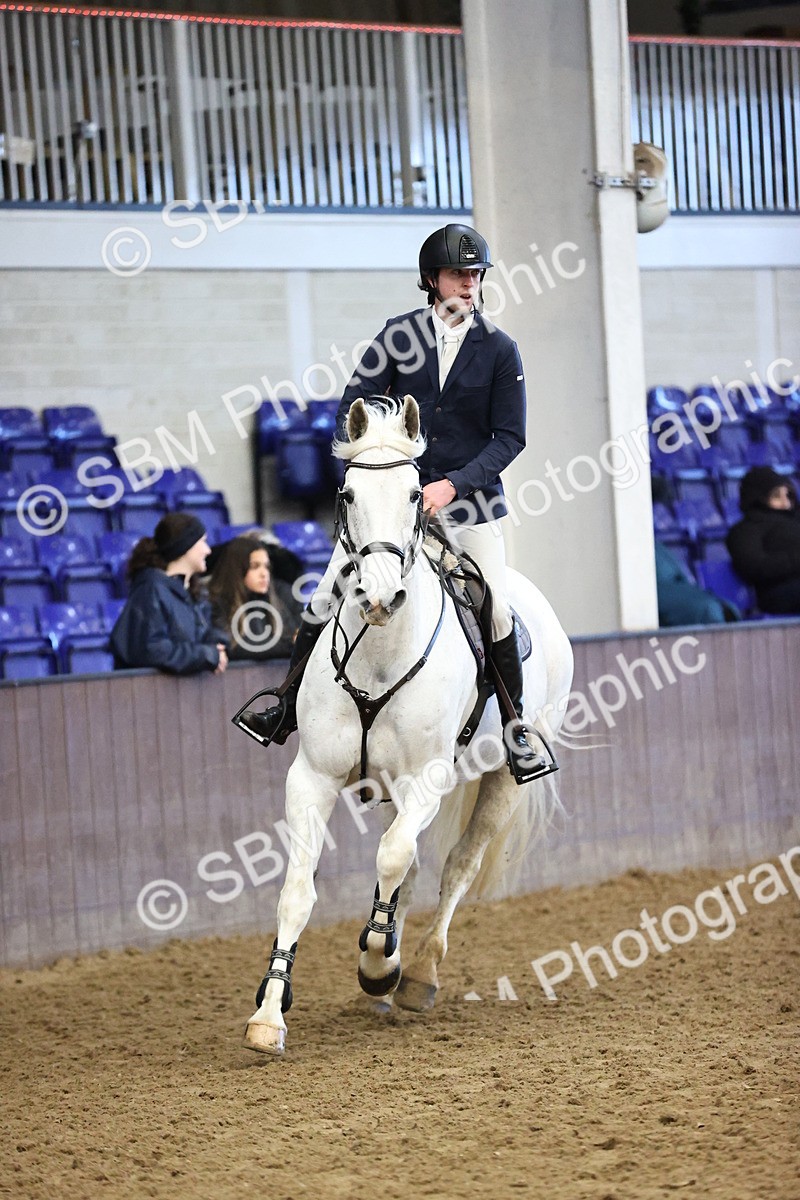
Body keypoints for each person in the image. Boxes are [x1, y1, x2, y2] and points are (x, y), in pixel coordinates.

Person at [236, 223, 548, 782]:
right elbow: (351, 407)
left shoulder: (501, 350)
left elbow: (511, 437)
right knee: (328, 591)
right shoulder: (397, 336)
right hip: (391, 509)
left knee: (495, 604)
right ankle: (284, 702)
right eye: (458, 274)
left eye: (476, 275)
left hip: (468, 505)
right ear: (432, 279)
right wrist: (381, 466)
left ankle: (516, 725)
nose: (469, 284)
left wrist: (453, 484)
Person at [110, 512, 228, 675]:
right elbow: (151, 649)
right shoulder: (150, 589)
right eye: (203, 542)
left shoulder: (191, 592)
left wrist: (215, 645)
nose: (208, 550)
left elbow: (204, 633)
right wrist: (205, 654)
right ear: (186, 546)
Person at [209, 534, 302, 660]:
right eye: (255, 566)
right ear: (236, 570)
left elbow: (290, 635)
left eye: (266, 567)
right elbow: (235, 648)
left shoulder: (274, 600)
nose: (264, 574)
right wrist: (292, 645)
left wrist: (295, 642)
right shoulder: (217, 604)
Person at [726, 467, 800, 614]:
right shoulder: (745, 530)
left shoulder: (796, 519)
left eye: (788, 495)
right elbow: (754, 567)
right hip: (778, 592)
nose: (786, 503)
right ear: (758, 497)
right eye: (777, 496)